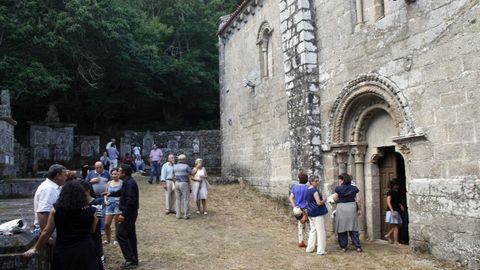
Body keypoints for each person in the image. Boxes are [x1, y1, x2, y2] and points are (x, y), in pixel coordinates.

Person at [23, 181, 103, 270]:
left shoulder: (56, 210)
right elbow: (92, 230)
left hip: (64, 249)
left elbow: (47, 231)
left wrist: (35, 249)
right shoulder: (92, 211)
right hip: (86, 250)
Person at [33, 164, 67, 233]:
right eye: (64, 175)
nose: (66, 178)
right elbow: (43, 213)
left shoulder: (53, 187)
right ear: (58, 175)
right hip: (50, 231)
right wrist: (47, 236)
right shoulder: (48, 189)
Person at [333, 173, 362, 252]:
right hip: (352, 207)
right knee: (353, 227)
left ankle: (343, 247)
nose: (339, 181)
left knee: (342, 227)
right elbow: (358, 200)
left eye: (340, 179)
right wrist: (359, 209)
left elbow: (335, 198)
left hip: (341, 207)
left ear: (343, 180)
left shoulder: (338, 188)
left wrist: (339, 200)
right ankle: (358, 246)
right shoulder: (354, 188)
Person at [117, 164, 139, 269]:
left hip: (128, 213)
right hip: (130, 212)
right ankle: (134, 259)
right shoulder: (127, 182)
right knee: (130, 236)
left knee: (120, 234)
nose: (117, 172)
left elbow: (130, 201)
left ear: (124, 173)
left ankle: (130, 259)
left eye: (119, 171)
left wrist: (123, 214)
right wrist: (110, 194)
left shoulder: (130, 183)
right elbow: (122, 194)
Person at [79, 181, 105, 267]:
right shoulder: (80, 203)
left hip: (93, 234)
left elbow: (98, 218)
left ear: (87, 191)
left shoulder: (95, 203)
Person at [305, 175, 328, 255]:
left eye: (318, 181)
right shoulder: (315, 191)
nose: (318, 182)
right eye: (316, 181)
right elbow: (318, 203)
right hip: (317, 213)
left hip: (310, 212)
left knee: (313, 230)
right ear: (311, 182)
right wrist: (324, 200)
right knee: (321, 232)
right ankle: (320, 250)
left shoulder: (307, 190)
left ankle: (309, 248)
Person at [103, 168, 123, 245]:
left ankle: (116, 239)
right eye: (113, 174)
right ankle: (108, 239)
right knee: (106, 224)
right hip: (110, 204)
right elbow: (106, 193)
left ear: (119, 174)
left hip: (118, 204)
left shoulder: (122, 183)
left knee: (117, 223)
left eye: (116, 174)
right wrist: (105, 201)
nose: (114, 175)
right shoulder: (108, 183)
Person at [289, 172, 309, 248]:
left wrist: (294, 206)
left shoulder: (295, 187)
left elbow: (291, 198)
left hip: (298, 209)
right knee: (309, 226)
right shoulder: (308, 187)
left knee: (300, 226)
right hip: (307, 209)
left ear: (299, 179)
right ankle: (310, 242)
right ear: (307, 180)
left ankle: (301, 241)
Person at [384, 179, 404, 245]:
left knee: (397, 225)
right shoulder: (390, 192)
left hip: (396, 210)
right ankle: (396, 242)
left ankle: (388, 235)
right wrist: (392, 211)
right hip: (393, 211)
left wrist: (400, 205)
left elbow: (396, 201)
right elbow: (388, 202)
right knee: (396, 226)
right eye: (397, 185)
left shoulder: (396, 192)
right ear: (395, 185)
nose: (398, 186)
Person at [173, 154, 192, 219]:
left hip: (177, 183)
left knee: (178, 199)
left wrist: (174, 182)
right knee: (186, 199)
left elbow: (173, 176)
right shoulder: (186, 166)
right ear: (184, 159)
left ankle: (178, 215)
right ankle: (186, 215)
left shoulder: (174, 166)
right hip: (184, 183)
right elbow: (192, 173)